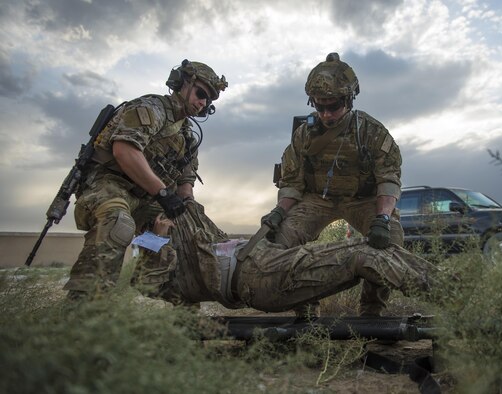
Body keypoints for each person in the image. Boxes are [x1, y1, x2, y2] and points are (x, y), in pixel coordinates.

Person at [63, 59, 228, 300]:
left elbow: (185, 181)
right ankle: (83, 309)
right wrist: (163, 194)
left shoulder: (188, 137)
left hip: (147, 199)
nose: (203, 102)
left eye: (209, 100)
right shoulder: (152, 109)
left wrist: (186, 212)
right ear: (182, 84)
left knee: (186, 235)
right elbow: (125, 151)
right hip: (110, 185)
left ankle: (177, 309)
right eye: (201, 93)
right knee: (118, 222)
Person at [263, 53, 403, 317]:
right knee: (282, 240)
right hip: (319, 200)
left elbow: (388, 179)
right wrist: (279, 212)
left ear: (349, 100)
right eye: (319, 106)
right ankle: (304, 309)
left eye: (333, 106)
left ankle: (373, 312)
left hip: (362, 199)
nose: (326, 114)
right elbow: (292, 182)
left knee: (390, 240)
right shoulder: (304, 134)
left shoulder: (371, 132)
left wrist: (383, 219)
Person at [132, 201, 434, 313]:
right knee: (363, 255)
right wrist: (157, 237)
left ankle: (455, 289)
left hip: (263, 262)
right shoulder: (154, 248)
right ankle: (454, 293)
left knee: (369, 250)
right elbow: (149, 285)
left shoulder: (186, 234)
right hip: (257, 277)